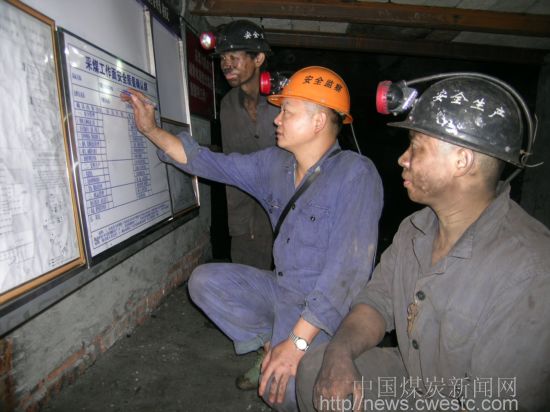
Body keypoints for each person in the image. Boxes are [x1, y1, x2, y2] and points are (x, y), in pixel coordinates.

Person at [121, 66, 383, 411]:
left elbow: (346, 276)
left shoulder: (355, 174)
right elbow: (205, 162)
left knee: (287, 393)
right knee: (205, 281)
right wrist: (150, 130)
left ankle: (289, 348)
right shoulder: (275, 164)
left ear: (319, 121)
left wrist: (296, 345)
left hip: (326, 309)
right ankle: (269, 345)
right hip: (282, 289)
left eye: (287, 111)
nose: (277, 119)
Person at [296, 75, 550, 412]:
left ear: (462, 161)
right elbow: (376, 303)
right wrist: (339, 353)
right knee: (315, 370)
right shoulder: (415, 229)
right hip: (416, 379)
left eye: (417, 146)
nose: (403, 158)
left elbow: (496, 399)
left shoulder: (531, 270)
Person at [210, 19, 279, 390]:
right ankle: (264, 352)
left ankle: (299, 349)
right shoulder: (227, 105)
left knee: (295, 281)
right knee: (248, 280)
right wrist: (238, 224)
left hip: (293, 208)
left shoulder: (287, 95)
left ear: (259, 58)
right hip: (249, 211)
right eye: (223, 58)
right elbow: (232, 167)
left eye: (235, 56)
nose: (227, 64)